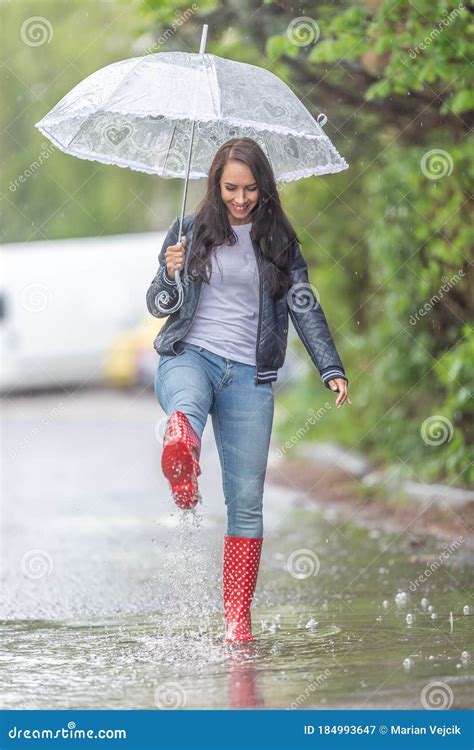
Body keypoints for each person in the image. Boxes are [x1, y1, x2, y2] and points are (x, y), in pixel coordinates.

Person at [146, 137, 351, 643]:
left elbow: (304, 305)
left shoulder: (279, 242)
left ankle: (237, 617)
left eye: (251, 189)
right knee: (186, 405)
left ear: (264, 187)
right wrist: (171, 272)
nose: (240, 199)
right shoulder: (188, 231)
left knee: (246, 501)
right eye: (231, 188)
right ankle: (182, 448)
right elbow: (158, 304)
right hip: (190, 356)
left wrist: (330, 367)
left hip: (249, 378)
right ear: (216, 185)